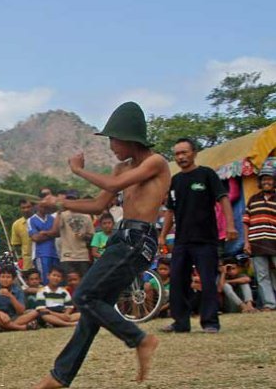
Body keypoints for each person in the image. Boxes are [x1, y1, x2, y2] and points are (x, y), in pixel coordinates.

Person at [35, 102, 170, 388]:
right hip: (121, 240)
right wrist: (59, 203)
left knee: (84, 296)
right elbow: (98, 205)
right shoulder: (121, 167)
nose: (111, 146)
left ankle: (140, 339)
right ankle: (59, 378)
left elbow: (114, 186)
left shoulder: (155, 163)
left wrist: (78, 171)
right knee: (91, 312)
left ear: (129, 137)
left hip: (138, 241)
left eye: (113, 139)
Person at [159, 138, 238, 334]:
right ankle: (180, 322)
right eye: (177, 154)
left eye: (184, 152)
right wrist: (162, 235)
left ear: (194, 152)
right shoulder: (176, 181)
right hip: (182, 241)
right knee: (177, 280)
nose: (181, 157)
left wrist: (230, 225)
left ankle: (210, 322)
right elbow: (170, 210)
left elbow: (223, 198)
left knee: (207, 281)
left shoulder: (206, 174)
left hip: (206, 239)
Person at [242, 164, 276, 311]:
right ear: (260, 182)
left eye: (269, 179)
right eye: (264, 179)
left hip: (274, 241)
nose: (266, 182)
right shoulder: (253, 199)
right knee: (262, 275)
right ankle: (270, 304)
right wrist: (246, 243)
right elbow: (245, 222)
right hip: (256, 242)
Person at [49, 190, 95, 278]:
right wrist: (59, 211)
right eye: (69, 199)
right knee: (68, 283)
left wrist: (84, 235)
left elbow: (92, 236)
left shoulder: (87, 216)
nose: (71, 202)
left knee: (82, 283)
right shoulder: (63, 215)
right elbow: (55, 230)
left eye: (73, 199)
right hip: (67, 256)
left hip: (83, 256)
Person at [0, 265, 39, 332]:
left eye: (8, 277)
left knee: (35, 312)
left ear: (13, 279)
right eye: (3, 277)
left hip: (14, 316)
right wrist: (1, 314)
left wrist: (10, 296)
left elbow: (21, 311)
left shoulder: (18, 290)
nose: (5, 280)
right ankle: (21, 328)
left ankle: (5, 327)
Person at [28, 201, 58, 284]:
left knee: (55, 280)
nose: (44, 208)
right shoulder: (31, 220)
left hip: (55, 253)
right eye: (42, 206)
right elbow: (35, 238)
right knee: (44, 280)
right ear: (37, 206)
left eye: (46, 206)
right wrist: (52, 233)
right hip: (41, 254)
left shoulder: (52, 218)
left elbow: (58, 233)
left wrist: (44, 233)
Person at [11, 199, 35, 270]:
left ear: (33, 207)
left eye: (28, 207)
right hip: (27, 262)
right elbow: (16, 245)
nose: (26, 210)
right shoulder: (16, 224)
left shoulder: (40, 220)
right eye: (23, 208)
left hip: (41, 256)